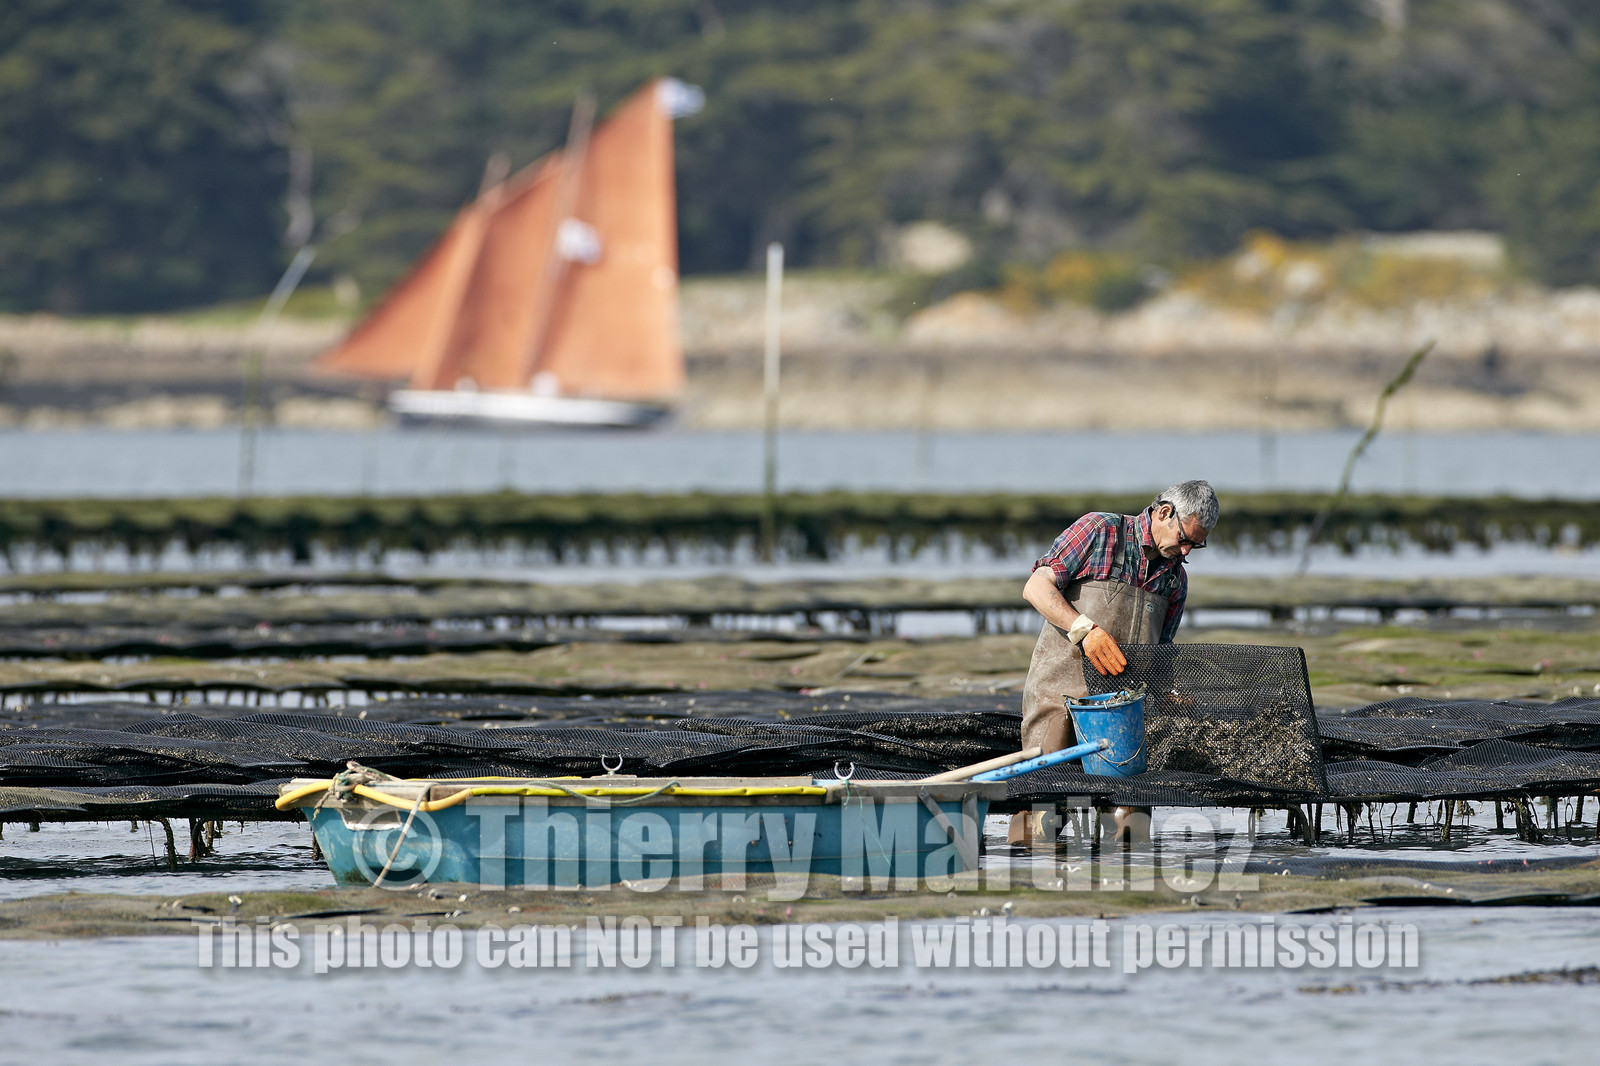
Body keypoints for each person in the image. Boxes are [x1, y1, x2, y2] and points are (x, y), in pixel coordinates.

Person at [1008, 479, 1219, 845]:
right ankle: (1030, 887)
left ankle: (1125, 894)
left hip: (1122, 713)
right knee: (1042, 814)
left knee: (1130, 828)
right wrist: (1085, 630)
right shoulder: (1100, 531)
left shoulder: (1175, 580)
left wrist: (1170, 692)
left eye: (1195, 546)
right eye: (1185, 539)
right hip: (1057, 696)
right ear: (1165, 512)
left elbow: (1161, 655)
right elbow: (1036, 588)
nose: (1185, 552)